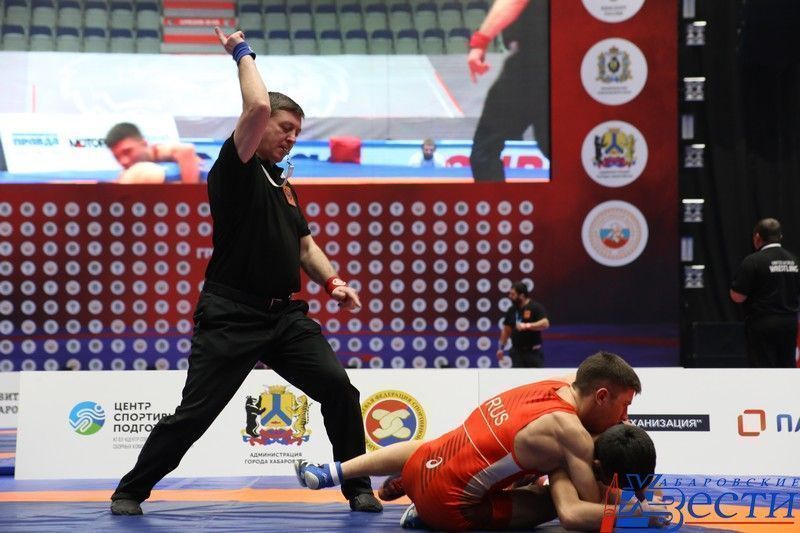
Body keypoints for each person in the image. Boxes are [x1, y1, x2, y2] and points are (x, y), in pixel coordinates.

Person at [109, 27, 382, 516]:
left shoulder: (283, 185)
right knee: (194, 415)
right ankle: (130, 490)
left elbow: (305, 245)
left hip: (285, 318)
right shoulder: (234, 170)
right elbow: (256, 106)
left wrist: (334, 282)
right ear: (260, 128)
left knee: (340, 390)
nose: (291, 138)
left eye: (297, 131)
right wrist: (241, 51)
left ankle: (356, 486)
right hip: (231, 316)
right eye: (284, 127)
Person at [296, 352, 646, 530]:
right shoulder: (572, 435)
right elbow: (582, 509)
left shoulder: (561, 383)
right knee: (553, 493)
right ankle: (426, 517)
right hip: (448, 507)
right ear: (602, 396)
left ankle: (333, 471)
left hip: (421, 465)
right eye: (625, 406)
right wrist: (638, 514)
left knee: (446, 444)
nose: (625, 418)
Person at [468, 0, 549, 182]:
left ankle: (495, 201)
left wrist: (480, 42)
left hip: (532, 63)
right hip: (560, 59)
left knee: (485, 152)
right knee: (556, 147)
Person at [730, 218, 800, 367]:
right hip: (789, 323)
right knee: (787, 368)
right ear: (780, 236)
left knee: (762, 369)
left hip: (762, 323)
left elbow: (737, 297)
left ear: (757, 237)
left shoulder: (752, 261)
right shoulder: (794, 260)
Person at [104, 122, 201, 184]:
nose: (123, 161)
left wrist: (189, 197)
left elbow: (187, 150)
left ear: (144, 143)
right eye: (117, 157)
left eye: (127, 151)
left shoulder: (159, 151)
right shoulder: (128, 174)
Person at [497, 281, 549, 367]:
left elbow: (545, 323)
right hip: (516, 353)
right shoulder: (512, 310)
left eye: (513, 294)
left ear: (521, 295)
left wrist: (528, 325)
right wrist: (501, 348)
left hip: (533, 353)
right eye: (510, 294)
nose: (510, 296)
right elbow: (506, 330)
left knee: (536, 375)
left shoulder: (535, 307)